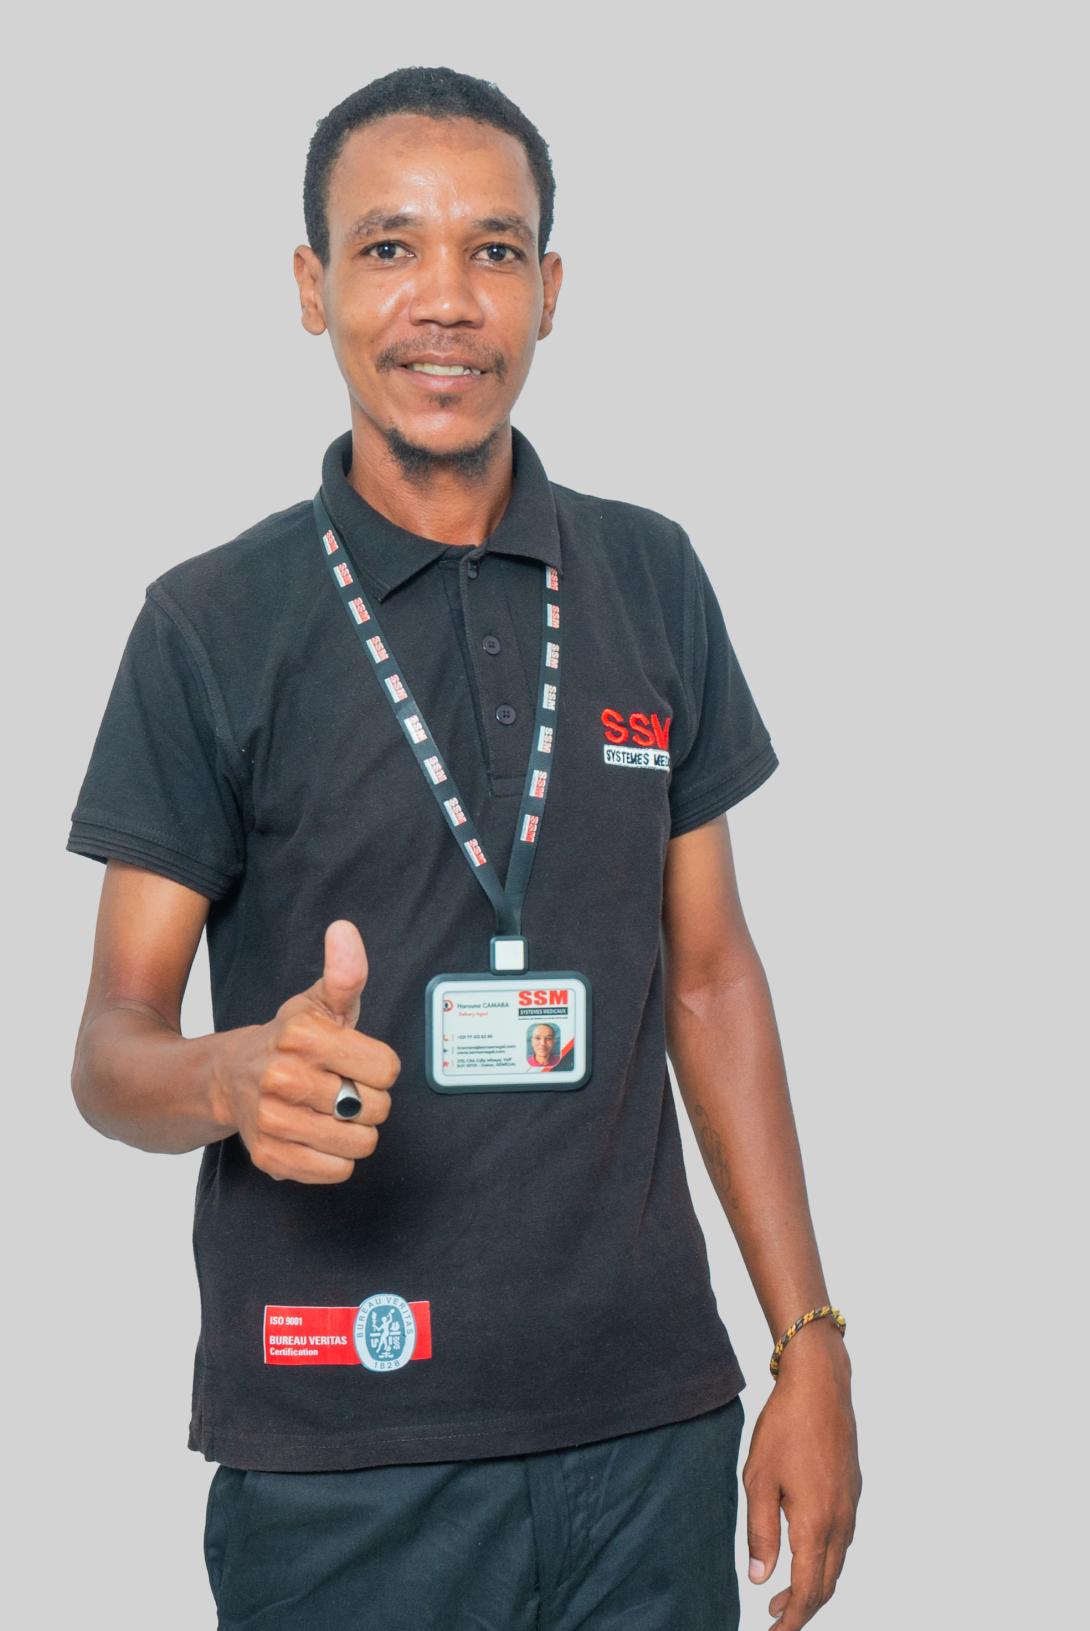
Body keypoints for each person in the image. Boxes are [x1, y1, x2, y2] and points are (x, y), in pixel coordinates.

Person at [66, 65, 861, 1631]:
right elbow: (111, 1044)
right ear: (312, 289)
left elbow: (710, 980)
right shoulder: (210, 624)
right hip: (345, 1461)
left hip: (650, 1431)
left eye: (492, 250)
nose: (445, 299)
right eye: (389, 248)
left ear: (549, 290)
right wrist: (229, 1077)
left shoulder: (649, 575)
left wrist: (808, 1343)